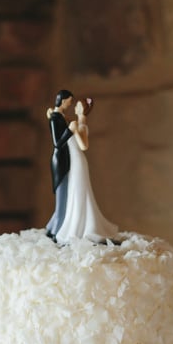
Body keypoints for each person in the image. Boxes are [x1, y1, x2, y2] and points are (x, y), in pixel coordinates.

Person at [52, 98, 118, 245]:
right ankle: (75, 226)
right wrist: (53, 115)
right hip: (73, 161)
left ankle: (80, 228)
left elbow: (83, 146)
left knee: (79, 192)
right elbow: (62, 121)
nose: (75, 107)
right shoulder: (75, 122)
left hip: (78, 161)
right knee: (75, 192)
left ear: (83, 109)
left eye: (78, 106)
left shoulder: (81, 125)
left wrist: (74, 131)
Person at [45, 89, 75, 239]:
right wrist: (70, 131)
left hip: (64, 159)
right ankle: (56, 233)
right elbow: (57, 143)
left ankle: (50, 228)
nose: (70, 104)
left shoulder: (60, 116)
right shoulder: (54, 118)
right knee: (62, 201)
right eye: (69, 101)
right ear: (63, 101)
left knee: (64, 199)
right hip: (60, 161)